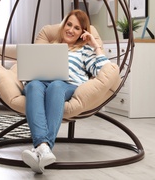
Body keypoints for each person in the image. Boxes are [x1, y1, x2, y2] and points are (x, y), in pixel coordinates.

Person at [21, 9, 110, 173]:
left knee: (56, 85)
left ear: (82, 32)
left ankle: (42, 146)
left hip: (66, 84)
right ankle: (43, 148)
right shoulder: (49, 46)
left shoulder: (84, 50)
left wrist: (95, 45)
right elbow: (30, 67)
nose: (71, 30)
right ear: (63, 25)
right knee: (32, 85)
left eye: (77, 28)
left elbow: (103, 69)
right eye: (69, 24)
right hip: (41, 82)